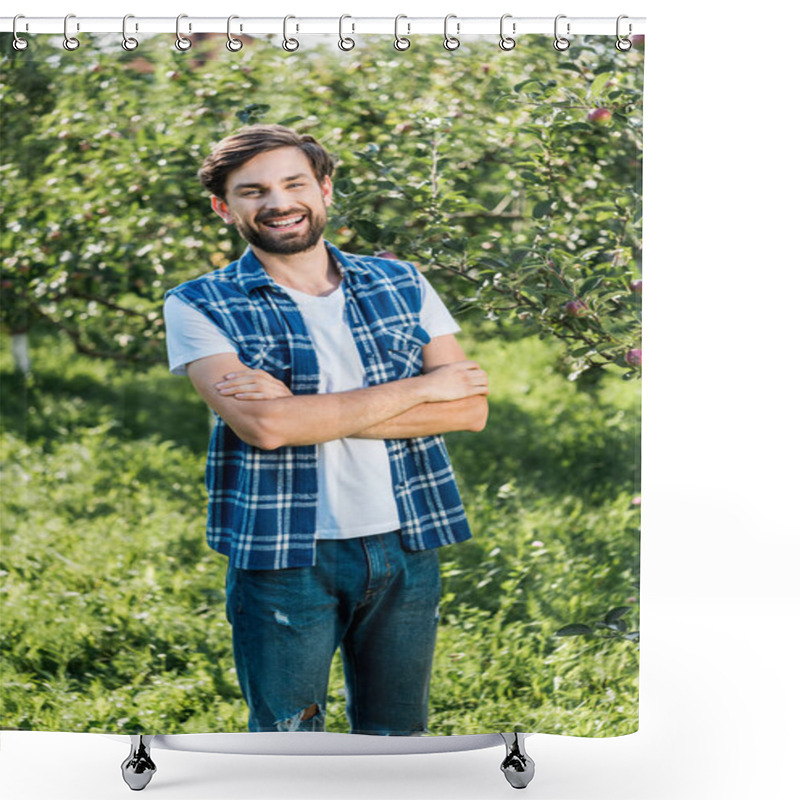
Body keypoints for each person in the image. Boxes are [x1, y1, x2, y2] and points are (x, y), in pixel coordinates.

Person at [163, 124, 489, 736]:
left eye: (294, 183)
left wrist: (303, 415)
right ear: (223, 206)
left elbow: (469, 410)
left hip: (405, 542)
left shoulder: (402, 282)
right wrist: (422, 388)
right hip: (283, 552)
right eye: (253, 190)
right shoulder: (198, 303)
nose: (279, 203)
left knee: (398, 738)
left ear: (325, 190)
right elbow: (264, 426)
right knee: (289, 739)